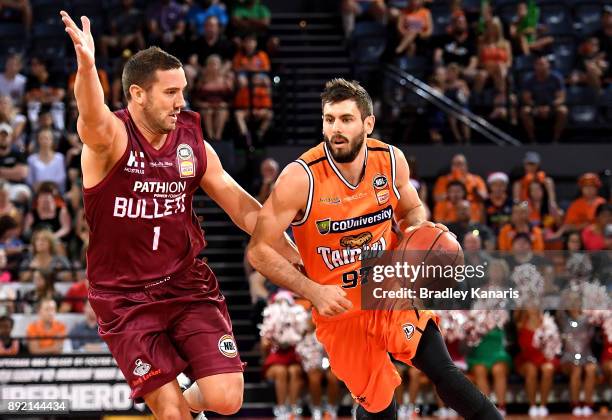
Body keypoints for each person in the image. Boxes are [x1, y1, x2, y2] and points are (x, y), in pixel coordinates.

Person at [60, 10, 299, 420]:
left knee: (227, 398)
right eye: (170, 92)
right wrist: (87, 67)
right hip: (124, 298)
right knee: (170, 414)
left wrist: (293, 250)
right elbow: (91, 115)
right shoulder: (111, 140)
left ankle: (186, 406)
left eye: (182, 90)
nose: (181, 101)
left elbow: (242, 207)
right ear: (138, 94)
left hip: (184, 283)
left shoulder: (193, 142)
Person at [248, 78, 502, 419]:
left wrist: (417, 231)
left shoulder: (391, 160)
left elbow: (411, 210)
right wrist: (313, 290)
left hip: (386, 290)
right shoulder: (300, 177)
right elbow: (259, 250)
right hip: (339, 312)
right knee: (381, 406)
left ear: (368, 124)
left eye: (346, 119)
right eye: (329, 119)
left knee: (442, 368)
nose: (335, 129)